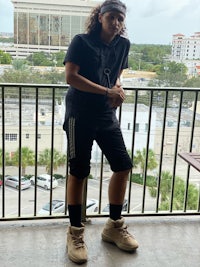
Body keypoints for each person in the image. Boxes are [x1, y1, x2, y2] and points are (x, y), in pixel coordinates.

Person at [63, 0, 139, 264]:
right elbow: (71, 77)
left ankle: (114, 226)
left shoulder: (123, 44)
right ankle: (75, 232)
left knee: (122, 165)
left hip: (106, 114)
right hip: (79, 114)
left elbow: (117, 75)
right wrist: (107, 91)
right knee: (79, 170)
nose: (117, 23)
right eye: (112, 17)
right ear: (100, 18)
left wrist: (117, 89)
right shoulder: (81, 42)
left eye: (120, 18)